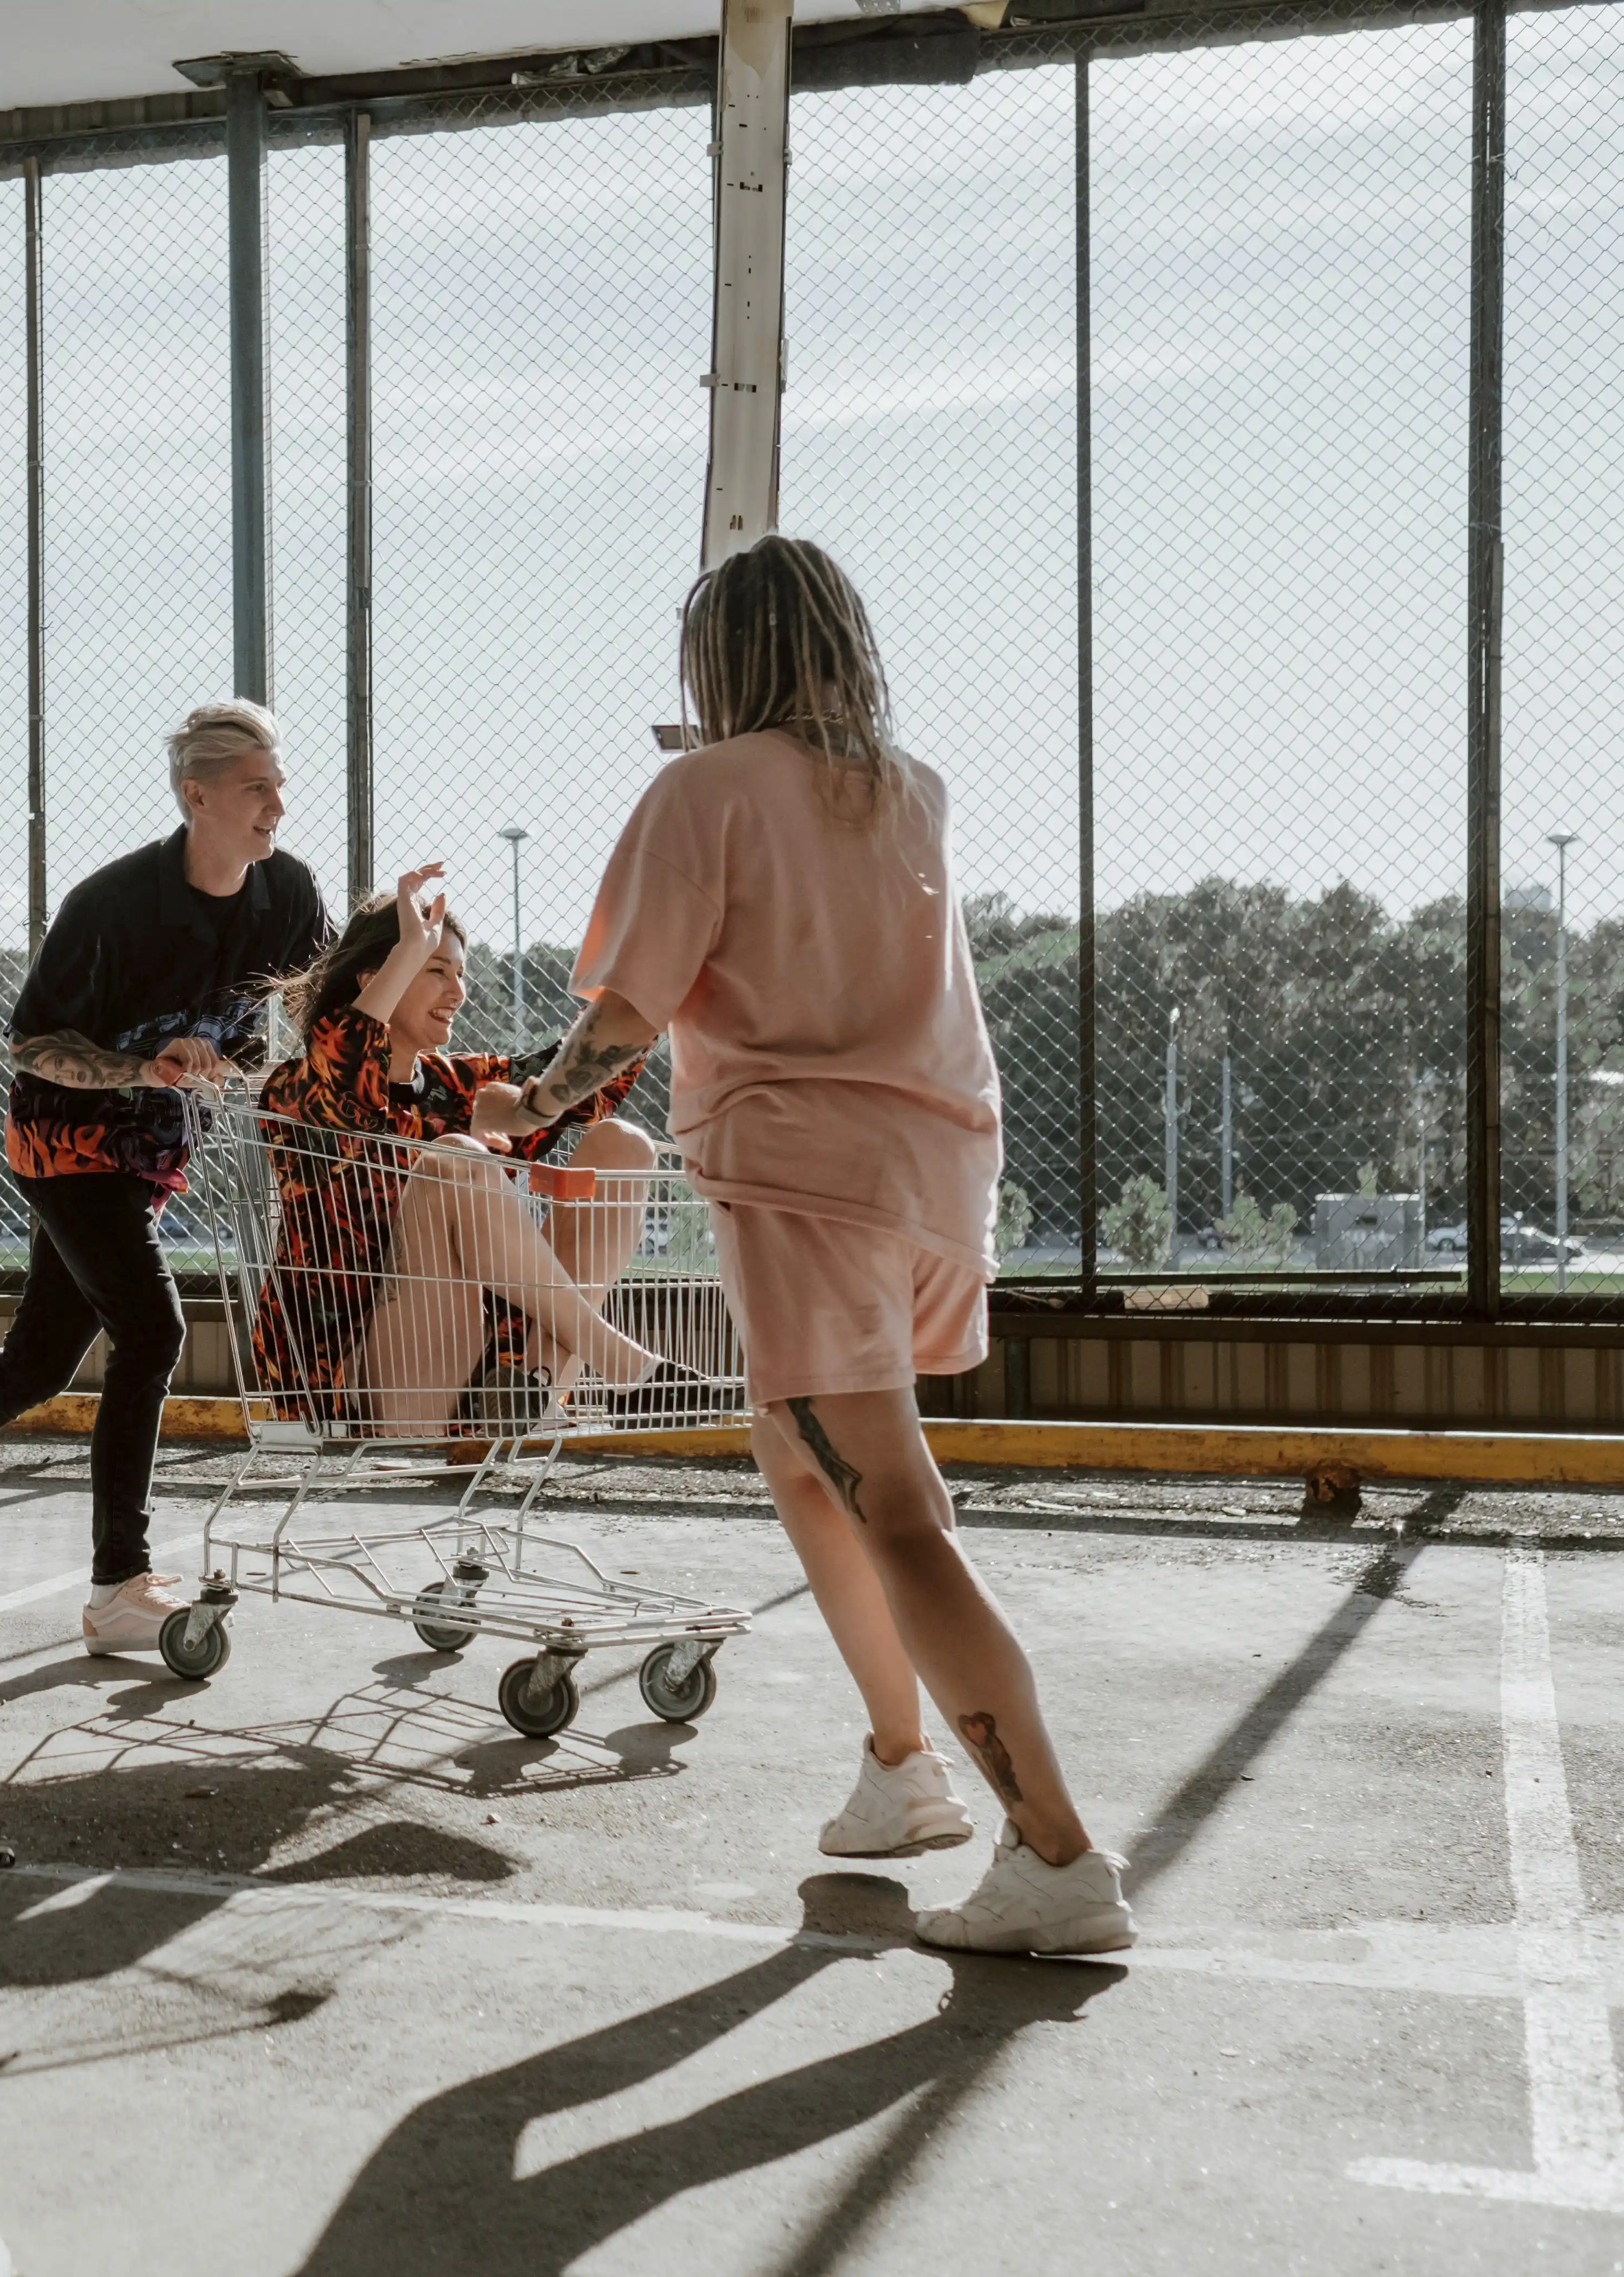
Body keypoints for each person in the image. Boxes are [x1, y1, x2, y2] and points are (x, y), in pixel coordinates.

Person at [479, 535, 1132, 1957]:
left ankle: (1057, 1851)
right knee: (802, 1455)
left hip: (806, 1181)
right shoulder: (908, 791)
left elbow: (629, 1013)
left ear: (720, 661)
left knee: (888, 1500)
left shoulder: (702, 789)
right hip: (935, 1170)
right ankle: (903, 1770)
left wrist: (526, 1102)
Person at [0, 700, 328, 1652]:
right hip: (65, 1143)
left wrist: (263, 1043)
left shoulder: (287, 895)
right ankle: (117, 1586)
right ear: (199, 796)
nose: (278, 806)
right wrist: (144, 1067)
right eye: (259, 788)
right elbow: (32, 1046)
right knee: (152, 1329)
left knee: (41, 1360)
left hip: (150, 1152)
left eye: (280, 785)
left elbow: (301, 1011)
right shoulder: (113, 905)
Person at [253, 865, 700, 1437]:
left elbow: (579, 1082)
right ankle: (624, 1365)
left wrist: (654, 961)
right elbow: (348, 1071)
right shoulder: (296, 1089)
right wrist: (411, 941)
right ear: (376, 978)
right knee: (458, 1157)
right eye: (436, 970)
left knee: (620, 1145)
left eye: (460, 974)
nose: (459, 992)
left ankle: (531, 1390)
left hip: (485, 1360)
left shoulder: (451, 1084)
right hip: (360, 1376)